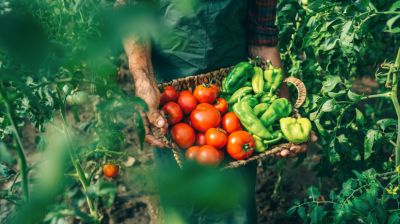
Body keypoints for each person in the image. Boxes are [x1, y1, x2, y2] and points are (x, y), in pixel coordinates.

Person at [119, 0, 309, 223]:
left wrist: (283, 115)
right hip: (173, 97)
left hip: (233, 97)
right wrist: (143, 81)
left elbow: (263, 41)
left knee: (234, 201)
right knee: (182, 193)